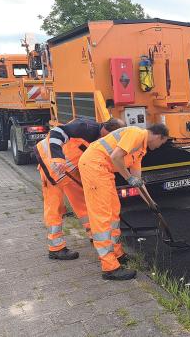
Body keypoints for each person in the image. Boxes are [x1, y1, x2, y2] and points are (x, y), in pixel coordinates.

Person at [79, 124, 169, 280]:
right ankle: (109, 268)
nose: (161, 146)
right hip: (94, 166)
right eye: (163, 142)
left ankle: (117, 254)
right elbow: (115, 157)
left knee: (114, 211)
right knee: (103, 216)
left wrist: (151, 203)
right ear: (158, 136)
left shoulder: (140, 150)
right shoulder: (136, 134)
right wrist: (128, 178)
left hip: (103, 170)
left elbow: (138, 181)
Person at [36, 118, 126, 261]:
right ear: (105, 130)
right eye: (108, 136)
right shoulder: (86, 127)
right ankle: (56, 248)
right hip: (51, 164)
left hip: (68, 170)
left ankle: (94, 236)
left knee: (84, 202)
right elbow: (57, 132)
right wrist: (57, 158)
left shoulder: (99, 136)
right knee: (55, 207)